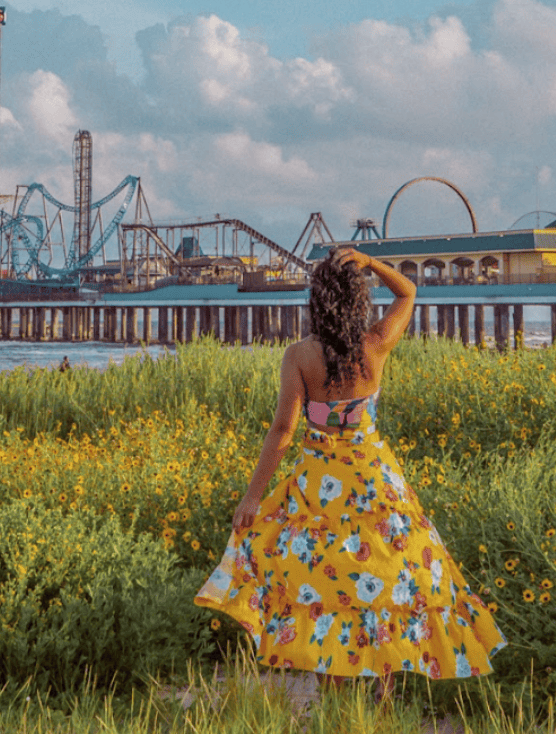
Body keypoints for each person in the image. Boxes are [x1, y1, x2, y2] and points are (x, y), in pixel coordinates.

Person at [195, 246, 506, 700]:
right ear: (358, 301)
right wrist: (372, 263)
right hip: (374, 481)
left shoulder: (300, 356)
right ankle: (379, 704)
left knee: (323, 589)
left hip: (319, 489)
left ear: (316, 302)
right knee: (385, 584)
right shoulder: (374, 345)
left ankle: (333, 699)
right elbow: (408, 292)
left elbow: (283, 431)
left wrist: (251, 498)